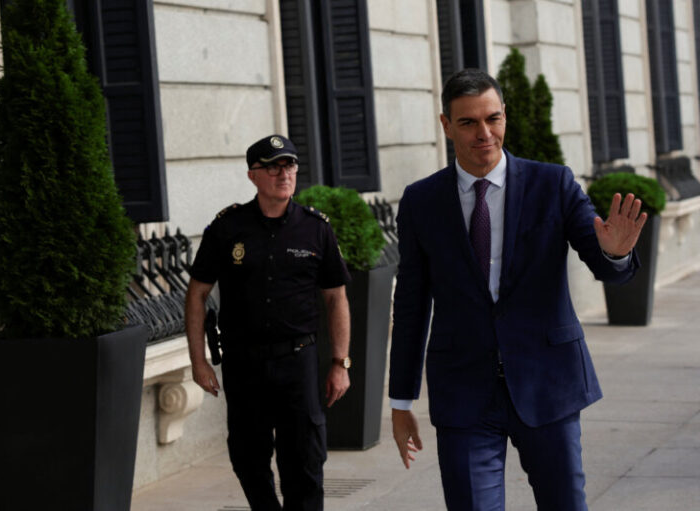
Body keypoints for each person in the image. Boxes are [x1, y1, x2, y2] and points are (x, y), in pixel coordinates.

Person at [388, 69, 647, 510]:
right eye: (468, 122)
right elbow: (412, 304)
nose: (484, 133)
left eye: (493, 118)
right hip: (464, 392)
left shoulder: (554, 184)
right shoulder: (421, 201)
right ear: (446, 125)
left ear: (505, 116)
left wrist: (616, 255)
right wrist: (400, 400)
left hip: (548, 382)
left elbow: (604, 262)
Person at [185, 134, 352, 511]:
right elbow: (196, 294)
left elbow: (336, 297)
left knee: (305, 461)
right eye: (273, 166)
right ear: (252, 175)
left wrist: (341, 363)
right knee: (247, 457)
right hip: (245, 364)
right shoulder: (228, 228)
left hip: (298, 361)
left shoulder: (315, 228)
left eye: (289, 165)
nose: (284, 173)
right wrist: (198, 362)